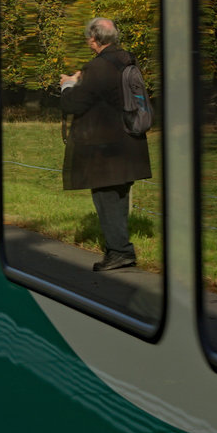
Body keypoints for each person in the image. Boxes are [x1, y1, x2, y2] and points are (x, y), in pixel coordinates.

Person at [59, 17, 151, 271]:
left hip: (106, 150)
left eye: (88, 37)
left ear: (94, 39)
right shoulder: (126, 61)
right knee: (118, 197)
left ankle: (120, 252)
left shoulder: (97, 68)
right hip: (128, 144)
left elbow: (74, 104)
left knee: (106, 198)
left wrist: (68, 85)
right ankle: (119, 248)